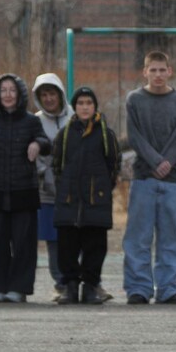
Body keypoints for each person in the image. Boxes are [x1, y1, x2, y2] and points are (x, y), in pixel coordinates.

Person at [0, 74, 50, 303]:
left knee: (23, 243)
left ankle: (19, 288)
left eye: (12, 90)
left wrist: (37, 144)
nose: (7, 95)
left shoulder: (31, 121)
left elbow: (45, 142)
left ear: (20, 94)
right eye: (3, 90)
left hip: (24, 190)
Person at [122, 50, 176, 305]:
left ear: (169, 71)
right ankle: (138, 288)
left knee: (172, 236)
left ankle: (169, 288)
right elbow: (134, 136)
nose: (158, 74)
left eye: (162, 70)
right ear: (145, 72)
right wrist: (154, 161)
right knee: (138, 237)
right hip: (143, 177)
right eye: (153, 70)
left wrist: (167, 162)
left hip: (171, 180)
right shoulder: (134, 100)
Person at [52, 87, 121, 305]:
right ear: (74, 107)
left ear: (95, 107)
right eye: (80, 103)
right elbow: (57, 165)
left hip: (96, 201)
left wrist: (101, 189)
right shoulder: (65, 134)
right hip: (69, 201)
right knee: (67, 246)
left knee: (95, 246)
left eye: (89, 103)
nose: (85, 107)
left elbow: (113, 164)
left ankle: (91, 286)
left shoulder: (105, 133)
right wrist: (65, 188)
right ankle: (70, 286)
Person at [33, 73, 72, 298]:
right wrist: (45, 175)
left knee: (75, 237)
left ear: (60, 94)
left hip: (73, 191)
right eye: (44, 95)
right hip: (47, 191)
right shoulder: (35, 121)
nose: (49, 99)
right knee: (53, 239)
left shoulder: (74, 118)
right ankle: (61, 282)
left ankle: (79, 280)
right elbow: (35, 155)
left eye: (52, 94)